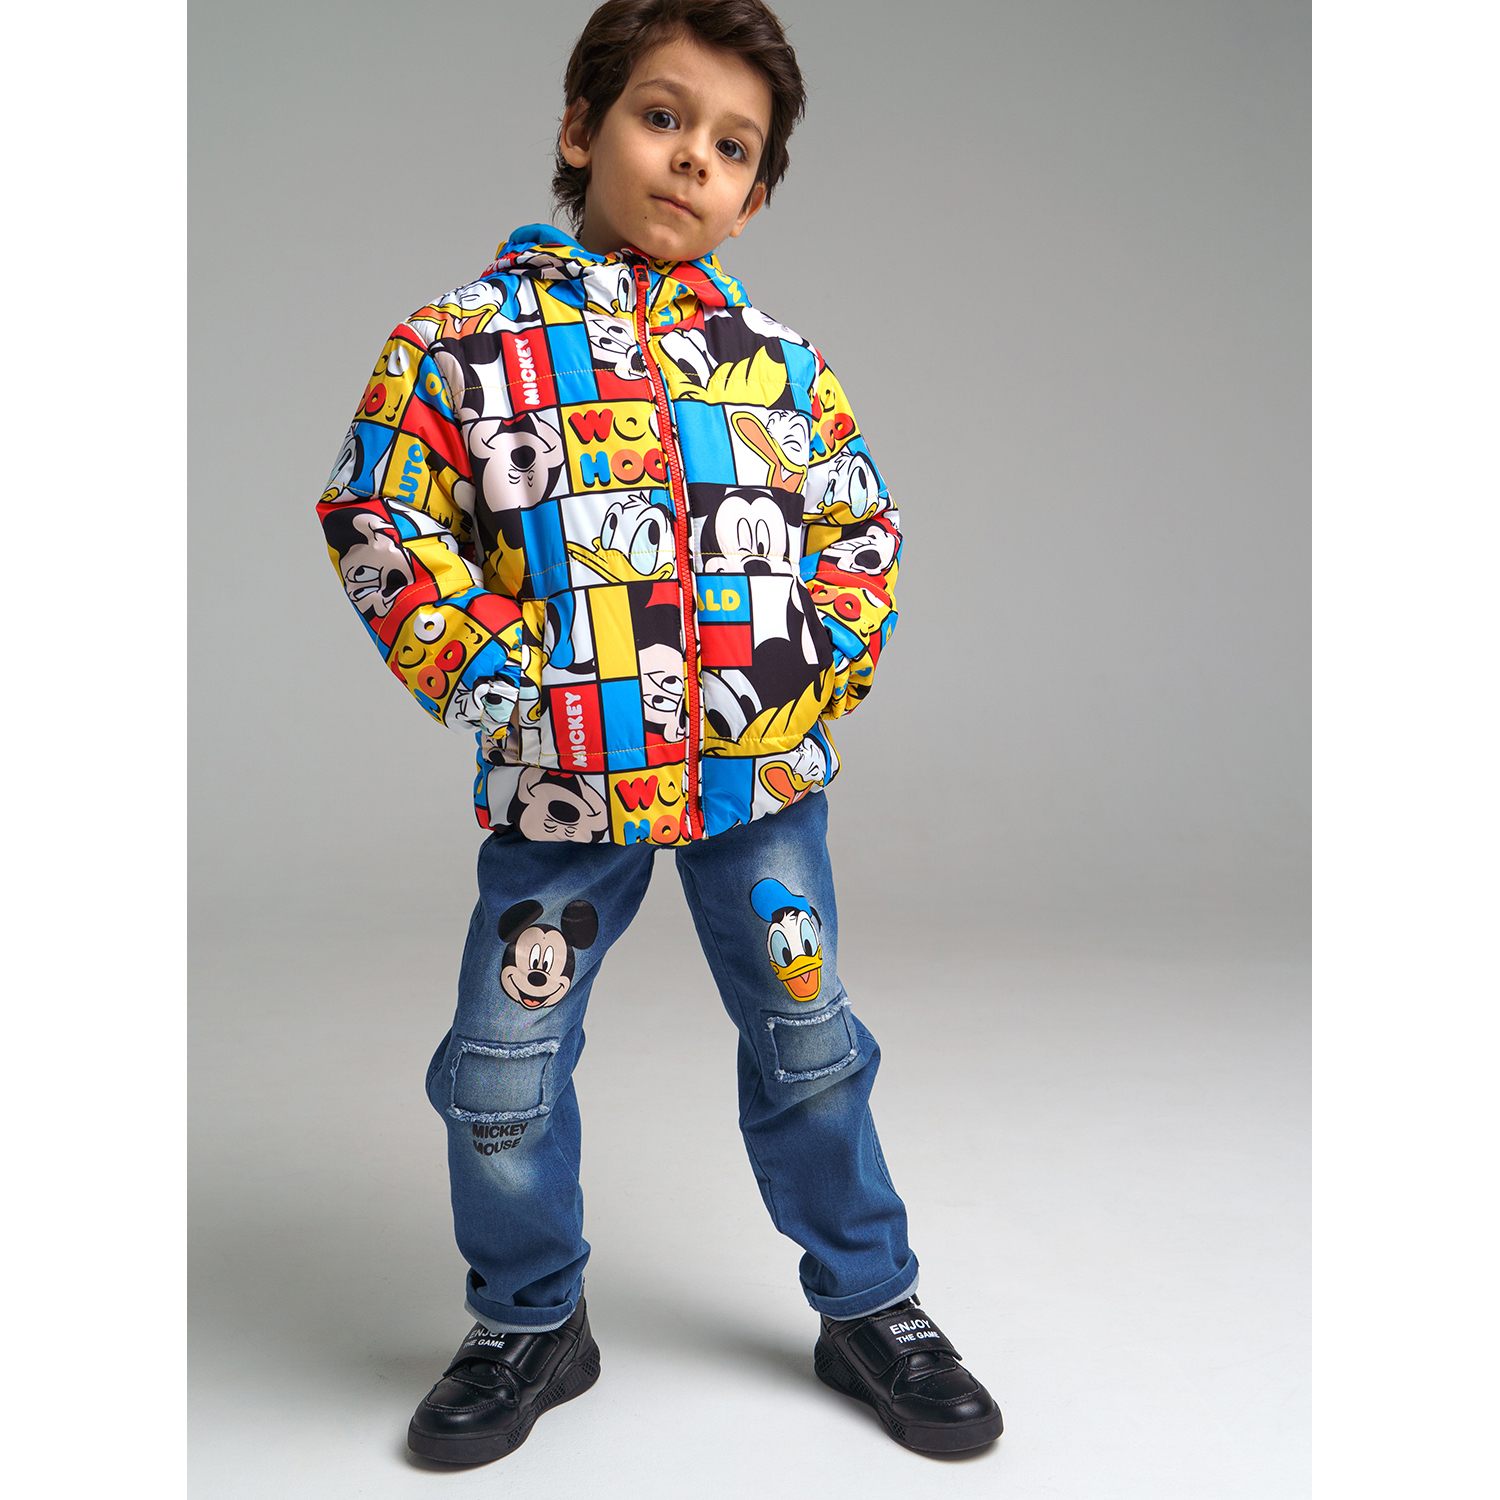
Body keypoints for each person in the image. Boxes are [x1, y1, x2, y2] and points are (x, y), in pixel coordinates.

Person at [316, 0, 1002, 1464]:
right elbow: (376, 515)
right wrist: (508, 678)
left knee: (810, 1041)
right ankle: (528, 1319)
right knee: (502, 1063)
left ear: (754, 197)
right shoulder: (459, 343)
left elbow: (861, 529)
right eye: (664, 116)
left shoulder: (779, 364)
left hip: (756, 782)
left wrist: (809, 670)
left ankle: (868, 1302)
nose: (695, 158)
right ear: (582, 129)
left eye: (735, 147)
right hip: (564, 786)